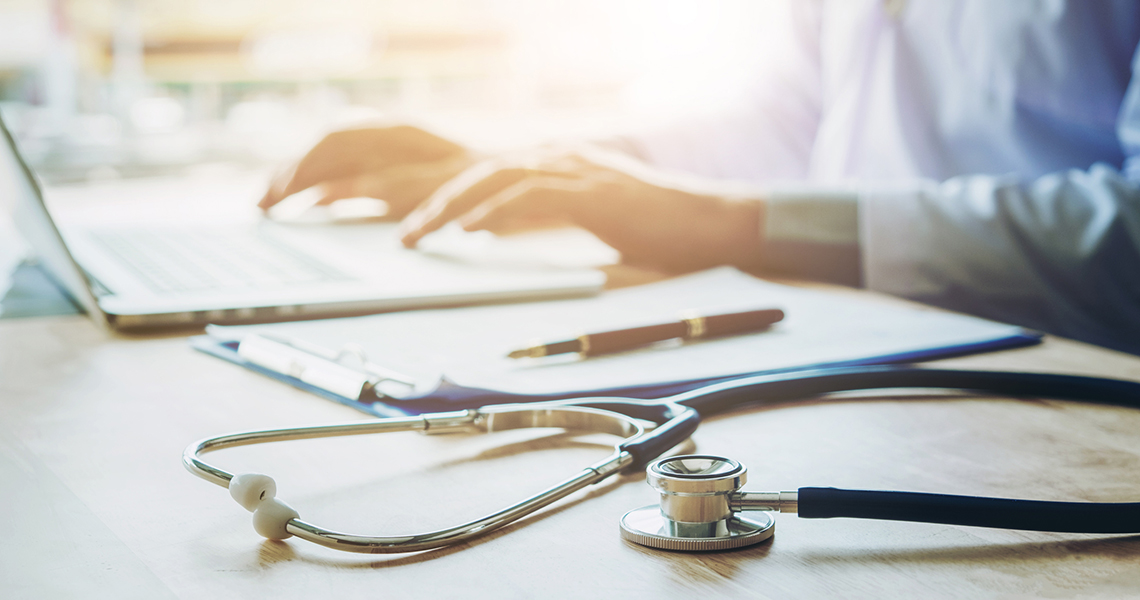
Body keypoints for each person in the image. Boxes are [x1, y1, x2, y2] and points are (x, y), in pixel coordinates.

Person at [258, 0, 1140, 355]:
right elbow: (789, 122)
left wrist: (737, 226)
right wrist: (522, 168)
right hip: (867, 350)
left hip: (1082, 401)